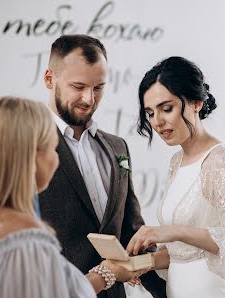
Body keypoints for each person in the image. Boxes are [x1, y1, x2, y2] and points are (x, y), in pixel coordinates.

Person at [0, 97, 147, 298]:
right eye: (53, 149)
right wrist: (108, 273)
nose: (57, 158)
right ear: (31, 158)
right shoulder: (26, 237)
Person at [39, 34, 165, 298]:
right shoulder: (29, 146)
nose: (89, 99)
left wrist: (168, 292)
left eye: (98, 88)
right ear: (50, 79)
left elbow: (132, 232)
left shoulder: (117, 147)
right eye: (78, 86)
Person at [127, 56, 225, 298]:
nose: (157, 122)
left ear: (196, 103)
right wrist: (138, 265)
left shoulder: (221, 159)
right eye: (150, 113)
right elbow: (184, 253)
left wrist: (172, 231)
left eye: (166, 109)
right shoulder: (176, 162)